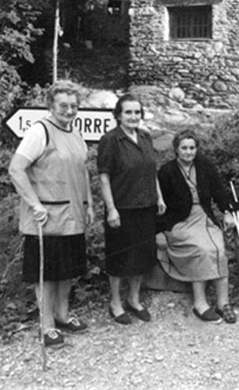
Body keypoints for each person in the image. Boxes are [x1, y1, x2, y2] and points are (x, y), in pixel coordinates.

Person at [8, 80, 94, 349]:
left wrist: (90, 203)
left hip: (73, 214)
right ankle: (46, 326)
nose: (69, 110)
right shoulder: (40, 131)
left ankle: (62, 315)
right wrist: (34, 204)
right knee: (45, 274)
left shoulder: (76, 133)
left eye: (74, 106)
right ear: (51, 106)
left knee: (66, 270)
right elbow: (16, 169)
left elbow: (83, 171)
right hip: (47, 216)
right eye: (63, 105)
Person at [97, 95, 166, 325]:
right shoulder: (111, 140)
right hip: (122, 208)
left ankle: (134, 300)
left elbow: (151, 170)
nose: (133, 117)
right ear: (118, 115)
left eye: (137, 112)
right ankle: (115, 303)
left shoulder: (145, 137)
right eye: (128, 112)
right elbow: (104, 177)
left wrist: (159, 196)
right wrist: (111, 209)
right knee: (120, 258)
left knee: (142, 256)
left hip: (145, 206)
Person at [156, 130, 237, 324]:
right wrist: (158, 231)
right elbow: (157, 205)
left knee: (217, 249)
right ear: (176, 149)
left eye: (192, 148)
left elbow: (219, 191)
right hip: (179, 222)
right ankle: (200, 303)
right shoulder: (167, 171)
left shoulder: (205, 166)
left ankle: (222, 302)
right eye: (184, 148)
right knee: (200, 249)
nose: (188, 152)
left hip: (204, 218)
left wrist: (227, 211)